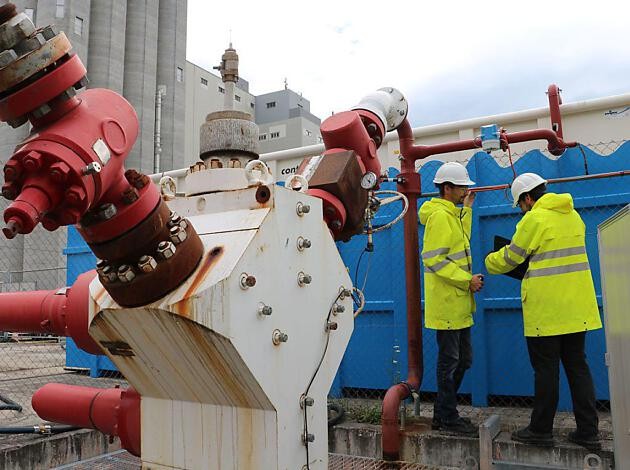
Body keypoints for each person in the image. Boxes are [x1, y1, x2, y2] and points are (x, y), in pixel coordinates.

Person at [485, 173, 602, 450]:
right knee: (578, 368)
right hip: (577, 308)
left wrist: (490, 261)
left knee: (546, 371)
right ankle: (588, 431)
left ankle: (540, 430)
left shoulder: (534, 219)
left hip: (546, 312)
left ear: (527, 198)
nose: (521, 209)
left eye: (521, 204)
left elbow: (512, 257)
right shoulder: (572, 216)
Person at [419, 162, 484, 436]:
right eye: (462, 187)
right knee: (450, 364)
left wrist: (467, 209)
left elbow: (460, 241)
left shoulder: (451, 215)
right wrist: (466, 280)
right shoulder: (440, 217)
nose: (465, 190)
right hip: (448, 303)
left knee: (463, 361)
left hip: (457, 303)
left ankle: (442, 414)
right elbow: (433, 258)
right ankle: (447, 417)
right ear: (447, 188)